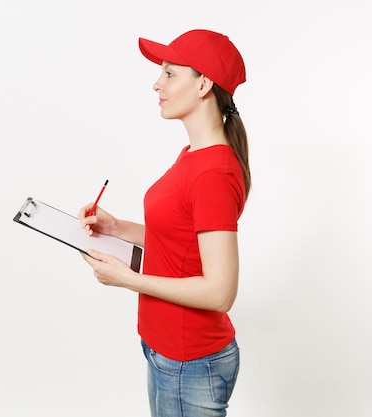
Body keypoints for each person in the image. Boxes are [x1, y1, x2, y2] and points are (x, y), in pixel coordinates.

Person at [79, 29, 250, 417]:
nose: (157, 84)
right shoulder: (193, 155)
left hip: (190, 361)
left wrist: (127, 278)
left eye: (171, 74)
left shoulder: (212, 173)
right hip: (167, 351)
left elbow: (220, 292)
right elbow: (181, 238)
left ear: (204, 83)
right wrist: (116, 227)